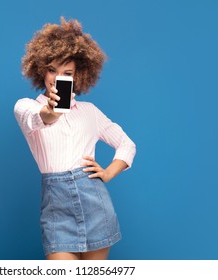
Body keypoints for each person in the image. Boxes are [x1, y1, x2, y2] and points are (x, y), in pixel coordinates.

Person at [14, 17, 136, 260]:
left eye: (66, 72)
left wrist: (109, 172)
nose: (57, 78)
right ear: (40, 68)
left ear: (78, 76)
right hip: (56, 208)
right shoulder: (25, 106)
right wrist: (52, 111)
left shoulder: (90, 111)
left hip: (94, 202)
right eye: (52, 69)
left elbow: (126, 144)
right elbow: (40, 118)